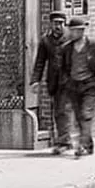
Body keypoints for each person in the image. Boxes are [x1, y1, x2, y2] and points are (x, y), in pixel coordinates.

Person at [61, 16, 95, 158]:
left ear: (81, 31)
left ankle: (81, 146)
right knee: (78, 117)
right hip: (74, 86)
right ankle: (88, 143)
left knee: (86, 115)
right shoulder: (67, 49)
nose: (71, 33)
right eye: (70, 30)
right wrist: (66, 82)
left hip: (90, 85)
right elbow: (64, 68)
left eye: (74, 31)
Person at [30, 10, 71, 155]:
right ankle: (64, 140)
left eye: (60, 23)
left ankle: (64, 141)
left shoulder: (71, 38)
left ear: (64, 24)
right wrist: (35, 80)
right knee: (58, 111)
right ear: (51, 24)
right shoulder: (45, 41)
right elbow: (40, 62)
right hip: (54, 81)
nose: (58, 26)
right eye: (55, 23)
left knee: (62, 110)